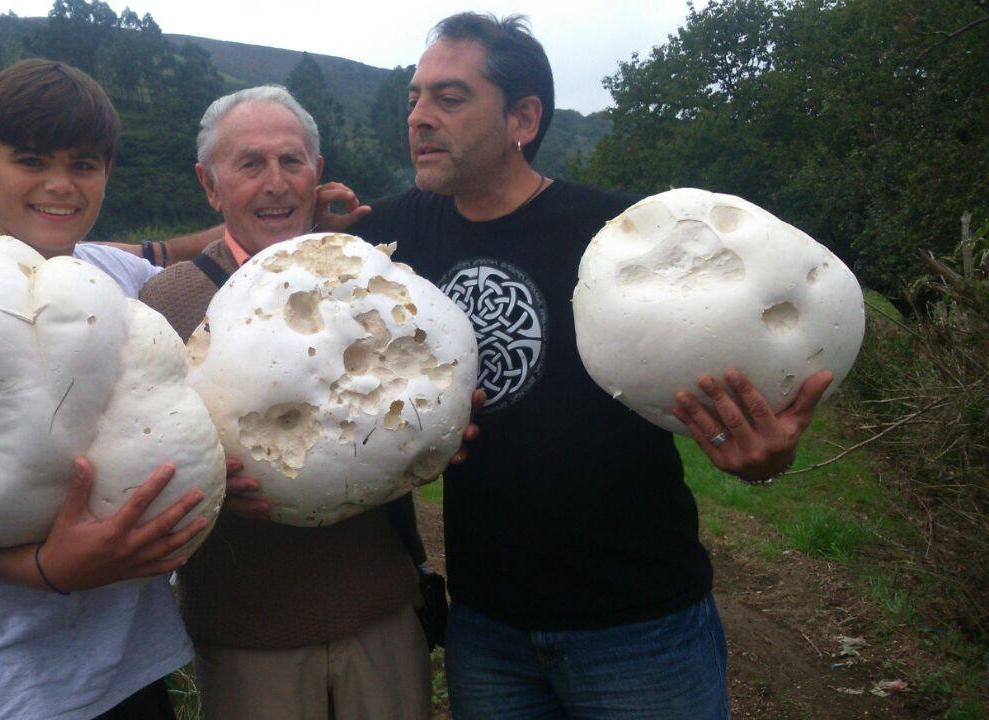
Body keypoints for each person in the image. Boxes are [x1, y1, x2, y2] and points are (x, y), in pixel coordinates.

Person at [329, 13, 834, 720]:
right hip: (487, 623)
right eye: (415, 97)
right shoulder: (393, 233)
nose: (418, 117)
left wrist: (765, 460)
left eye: (449, 98)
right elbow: (266, 247)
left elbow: (743, 392)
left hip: (637, 624)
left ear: (523, 118)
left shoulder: (621, 238)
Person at [0, 58, 214, 720]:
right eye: (32, 161)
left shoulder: (117, 277)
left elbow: (164, 254)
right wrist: (50, 569)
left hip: (121, 667)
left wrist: (273, 217)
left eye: (84, 165)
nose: (60, 186)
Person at [137, 85, 432, 720]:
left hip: (380, 615)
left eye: (291, 161)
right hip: (248, 637)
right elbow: (142, 459)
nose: (276, 183)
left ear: (316, 174)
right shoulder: (167, 305)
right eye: (250, 164)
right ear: (210, 185)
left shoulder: (373, 281)